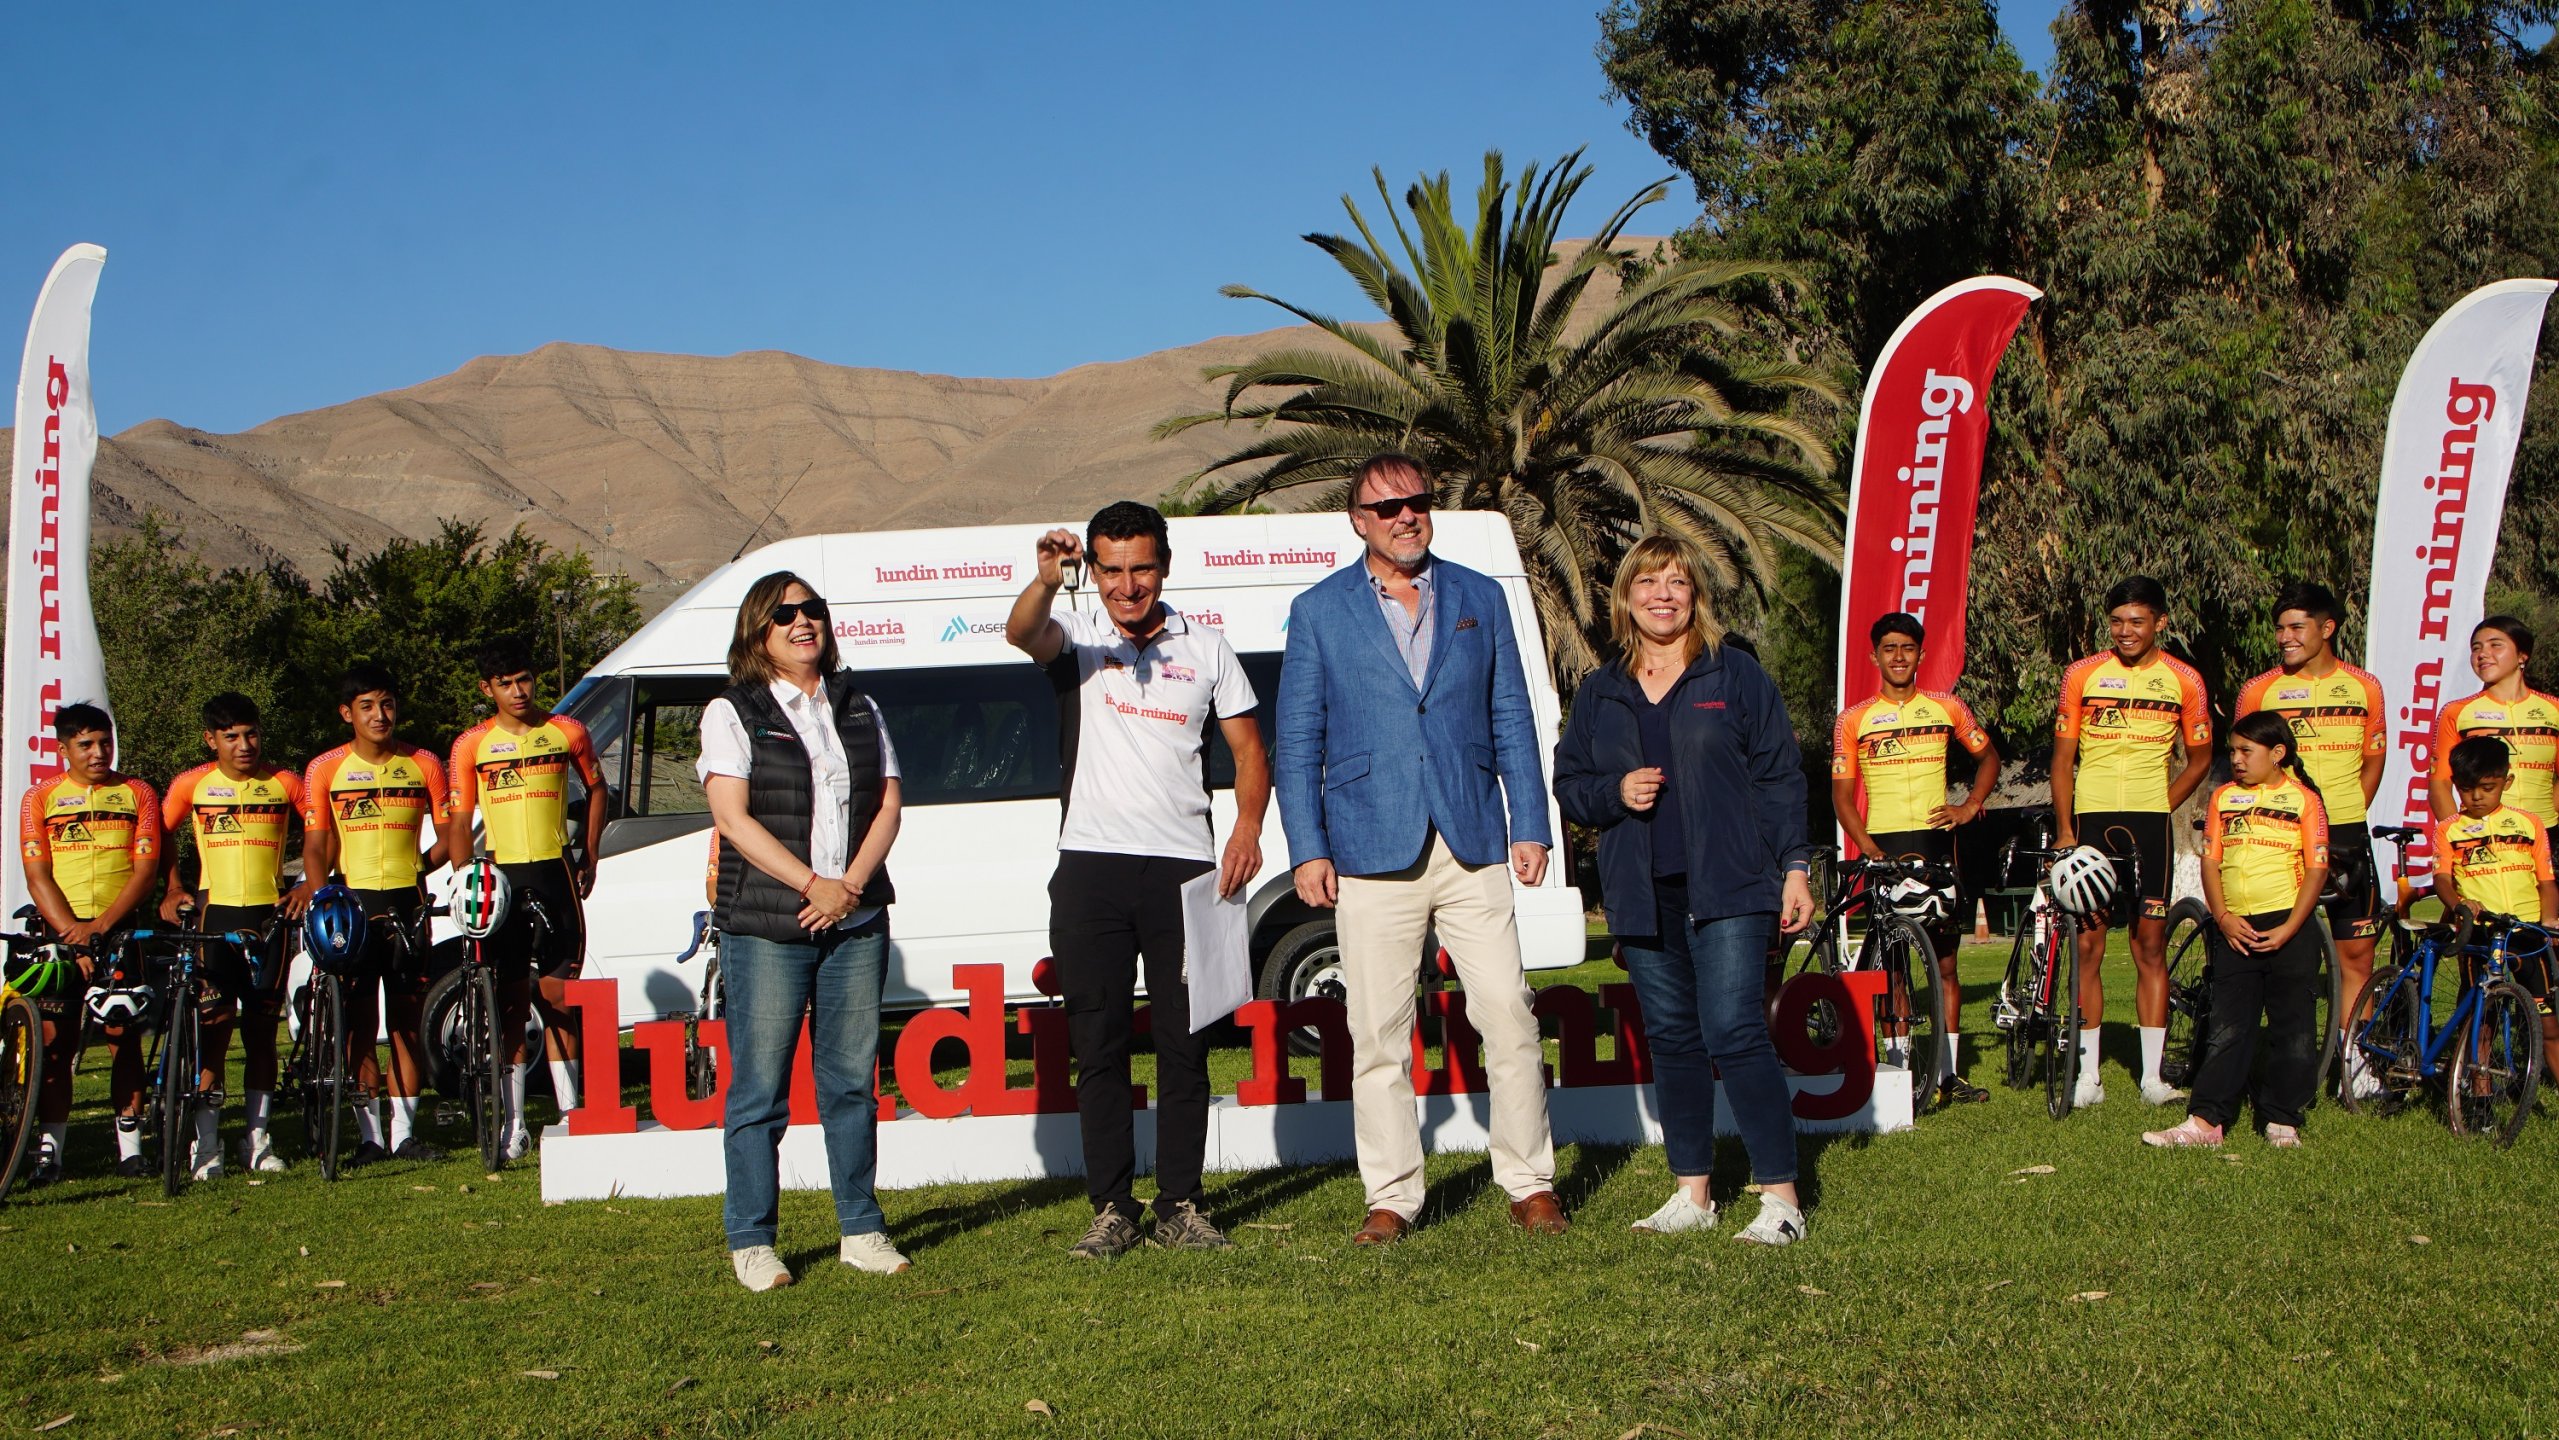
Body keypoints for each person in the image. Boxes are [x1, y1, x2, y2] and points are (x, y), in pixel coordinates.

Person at [1274, 451, 1563, 1245]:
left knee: (1509, 1014)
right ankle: (1392, 1197)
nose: (1407, 516)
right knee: (1376, 1032)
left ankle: (1530, 1183)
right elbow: (1297, 741)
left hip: (1472, 838)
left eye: (1418, 502)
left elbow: (1511, 714)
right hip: (1369, 844)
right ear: (1357, 522)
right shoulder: (1318, 610)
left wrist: (1529, 823)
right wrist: (1307, 847)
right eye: (1387, 507)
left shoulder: (1478, 595)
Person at [1004, 501, 1270, 1259]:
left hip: (1185, 870)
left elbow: (1250, 752)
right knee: (1100, 1042)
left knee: (1186, 1043)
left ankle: (1181, 1203)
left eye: (1142, 568)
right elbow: (1022, 632)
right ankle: (1113, 1208)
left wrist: (1247, 829)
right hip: (1090, 866)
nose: (1128, 586)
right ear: (1093, 570)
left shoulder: (1207, 647)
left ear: (1165, 567)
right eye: (1112, 570)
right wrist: (1045, 579)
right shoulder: (1078, 636)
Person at [1554, 533, 1816, 1244]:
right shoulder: (1601, 691)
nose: (1662, 595)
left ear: (1695, 594)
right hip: (1641, 893)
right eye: (1647, 582)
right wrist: (1614, 791)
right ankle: (1692, 1195)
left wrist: (1795, 866)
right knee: (1671, 1039)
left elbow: (1779, 776)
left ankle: (1781, 1200)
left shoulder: (1734, 674)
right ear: (1625, 597)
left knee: (1734, 1031)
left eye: (1676, 581)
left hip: (1730, 886)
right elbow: (1569, 785)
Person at [699, 571, 908, 1291]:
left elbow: (889, 803)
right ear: (758, 631)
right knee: (759, 1091)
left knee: (851, 1084)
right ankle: (752, 1240)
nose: (801, 621)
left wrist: (848, 887)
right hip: (767, 925)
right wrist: (810, 884)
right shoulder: (733, 710)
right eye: (784, 614)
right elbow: (732, 819)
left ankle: (861, 1229)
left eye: (811, 609)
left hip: (856, 920)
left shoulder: (860, 705)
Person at [444, 639, 609, 1160]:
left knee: (559, 996)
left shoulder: (567, 731)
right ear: (487, 689)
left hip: (555, 872)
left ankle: (572, 1113)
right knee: (512, 1002)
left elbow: (598, 788)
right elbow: (458, 821)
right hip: (502, 879)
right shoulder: (471, 744)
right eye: (505, 684)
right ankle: (513, 1124)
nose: (518, 692)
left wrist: (590, 854)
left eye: (524, 680)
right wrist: (463, 879)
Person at [2052, 576, 2213, 1107]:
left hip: (2150, 825)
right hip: (2092, 821)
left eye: (2137, 621)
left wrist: (2163, 804)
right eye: (2117, 621)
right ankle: (2088, 1077)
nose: (2126, 631)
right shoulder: (2082, 675)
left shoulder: (2184, 679)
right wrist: (2066, 830)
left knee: (2149, 947)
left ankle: (2152, 1079)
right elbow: (2062, 760)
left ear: (2160, 623)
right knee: (2088, 946)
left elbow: (2201, 758)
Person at [1830, 611, 2000, 1106]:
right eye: (1890, 649)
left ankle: (1948, 1076)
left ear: (1921, 655)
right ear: (1874, 657)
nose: (1899, 657)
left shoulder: (1947, 707)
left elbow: (1989, 758)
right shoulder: (1853, 719)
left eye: (1907, 648)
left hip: (1936, 844)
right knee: (1895, 967)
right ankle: (1899, 1071)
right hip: (1884, 846)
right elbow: (1841, 796)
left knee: (1945, 964)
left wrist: (1969, 806)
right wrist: (1868, 847)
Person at [2143, 710, 2330, 1148]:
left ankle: (2282, 1119)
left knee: (2293, 1029)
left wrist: (2290, 928)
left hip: (2289, 926)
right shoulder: (2223, 797)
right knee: (2227, 1028)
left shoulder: (2305, 800)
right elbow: (2210, 862)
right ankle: (2206, 1121)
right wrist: (2224, 918)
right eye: (2232, 751)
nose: (2237, 759)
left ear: (2278, 753)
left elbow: (2317, 869)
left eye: (2247, 750)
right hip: (2234, 928)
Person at [2233, 582, 2386, 1095]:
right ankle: (2257, 1059)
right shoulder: (2259, 690)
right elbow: (2244, 762)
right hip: (2278, 833)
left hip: (2345, 830)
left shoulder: (2365, 687)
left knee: (2356, 953)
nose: (2285, 637)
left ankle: (2355, 1067)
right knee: (2274, 954)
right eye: (2279, 628)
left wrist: (2345, 810)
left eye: (2296, 627)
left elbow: (2374, 758)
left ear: (2328, 628)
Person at [302, 662, 452, 1163]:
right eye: (366, 706)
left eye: (387, 704)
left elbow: (449, 835)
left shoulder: (424, 763)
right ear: (347, 714)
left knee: (407, 1024)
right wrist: (323, 902)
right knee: (359, 1025)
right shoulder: (325, 769)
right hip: (353, 909)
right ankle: (370, 1138)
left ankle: (403, 1134)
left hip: (408, 904)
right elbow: (315, 847)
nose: (379, 715)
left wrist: (418, 869)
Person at [162, 692, 310, 1178]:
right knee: (214, 1031)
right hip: (214, 919)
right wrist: (173, 887)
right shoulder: (192, 784)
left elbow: (324, 830)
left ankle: (258, 1142)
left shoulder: (285, 782)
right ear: (211, 740)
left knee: (262, 1034)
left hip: (271, 917)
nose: (244, 745)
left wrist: (309, 883)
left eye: (251, 734)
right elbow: (158, 833)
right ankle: (206, 1146)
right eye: (231, 737)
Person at [16, 703, 160, 1184]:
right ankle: (50, 1155)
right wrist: (72, 935)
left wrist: (101, 926)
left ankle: (131, 1153)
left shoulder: (138, 792)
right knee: (55, 1047)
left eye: (105, 742)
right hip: (60, 931)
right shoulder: (39, 798)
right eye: (86, 745)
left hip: (118, 928)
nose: (99, 753)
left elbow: (145, 872)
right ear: (64, 750)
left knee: (124, 1038)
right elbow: (37, 876)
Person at [2430, 737, 2559, 1079]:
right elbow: (2441, 879)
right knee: (2481, 1018)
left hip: (2528, 931)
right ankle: (2478, 1092)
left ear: (2507, 781)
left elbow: (2546, 881)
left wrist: (2549, 920)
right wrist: (2459, 905)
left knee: (2548, 1021)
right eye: (2466, 788)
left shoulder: (2530, 823)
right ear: (2455, 784)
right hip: (2481, 932)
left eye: (2487, 788)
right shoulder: (2448, 829)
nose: (2476, 797)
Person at [2429, 616, 2557, 828]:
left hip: (2544, 834)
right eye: (2476, 648)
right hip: (2481, 834)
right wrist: (2459, 834)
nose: (2482, 654)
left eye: (2495, 645)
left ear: (2522, 655)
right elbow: (2439, 784)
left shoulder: (2554, 709)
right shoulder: (2456, 712)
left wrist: (2547, 819)